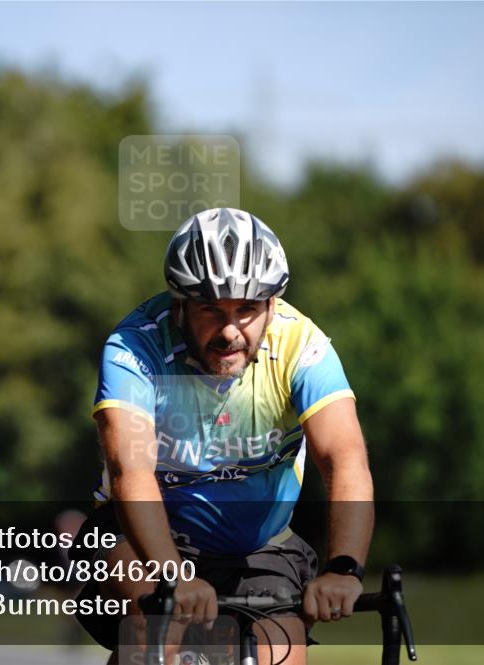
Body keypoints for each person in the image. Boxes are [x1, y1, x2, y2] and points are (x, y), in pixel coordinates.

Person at [73, 207, 375, 665]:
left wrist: (343, 568)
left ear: (272, 306)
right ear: (179, 304)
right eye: (211, 309)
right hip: (140, 534)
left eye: (247, 310)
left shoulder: (303, 347)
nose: (230, 330)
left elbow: (344, 459)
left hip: (258, 545)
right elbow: (131, 472)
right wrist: (173, 573)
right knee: (153, 631)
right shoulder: (135, 347)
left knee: (282, 652)